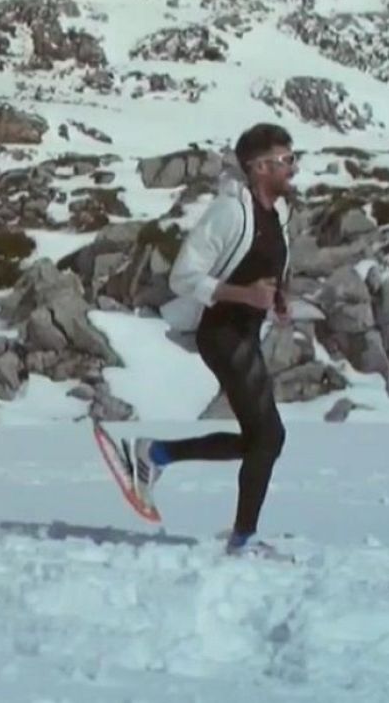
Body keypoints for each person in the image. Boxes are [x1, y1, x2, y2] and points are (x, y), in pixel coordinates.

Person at [122, 124, 298, 556]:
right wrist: (243, 294)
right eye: (285, 160)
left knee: (261, 439)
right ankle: (242, 540)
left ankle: (156, 454)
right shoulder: (229, 212)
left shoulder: (278, 213)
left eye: (293, 158)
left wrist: (278, 298)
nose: (292, 167)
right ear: (259, 168)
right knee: (269, 437)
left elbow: (263, 266)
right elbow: (184, 276)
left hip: (246, 332)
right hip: (219, 333)